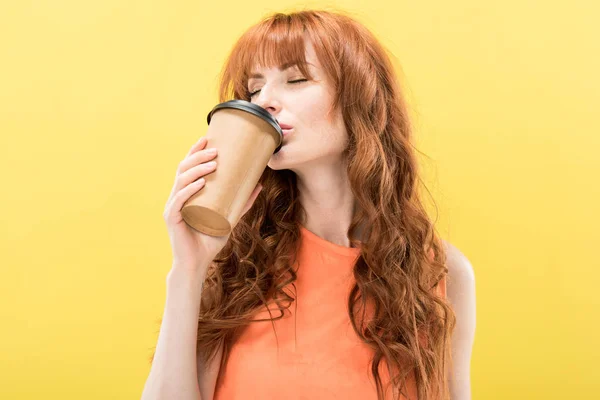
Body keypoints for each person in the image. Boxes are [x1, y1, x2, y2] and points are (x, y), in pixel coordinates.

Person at [142, 9, 476, 400]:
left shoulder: (440, 272)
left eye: (296, 79)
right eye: (254, 89)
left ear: (360, 99)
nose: (265, 100)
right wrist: (189, 268)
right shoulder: (234, 266)